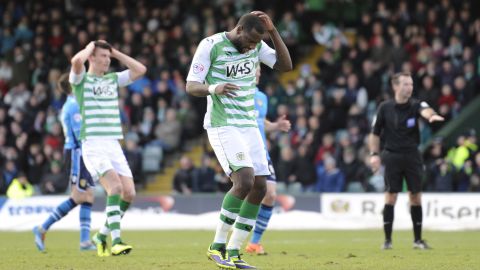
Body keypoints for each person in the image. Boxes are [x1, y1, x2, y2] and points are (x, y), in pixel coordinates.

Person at [186, 11, 292, 269]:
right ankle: (217, 247)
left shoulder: (255, 45)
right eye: (251, 41)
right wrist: (214, 88)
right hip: (223, 124)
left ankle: (235, 252)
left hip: (249, 125)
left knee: (260, 187)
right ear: (240, 29)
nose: (252, 48)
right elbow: (191, 85)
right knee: (243, 179)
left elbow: (286, 66)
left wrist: (274, 32)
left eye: (257, 44)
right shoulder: (210, 45)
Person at [69, 40, 146, 256]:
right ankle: (117, 241)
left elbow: (140, 70)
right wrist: (89, 47)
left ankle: (101, 235)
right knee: (115, 187)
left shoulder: (113, 80)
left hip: (113, 143)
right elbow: (76, 61)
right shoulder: (81, 81)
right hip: (93, 143)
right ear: (92, 58)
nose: (107, 60)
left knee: (129, 193)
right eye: (103, 56)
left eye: (108, 57)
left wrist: (116, 52)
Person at [368, 72, 444, 250]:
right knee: (391, 196)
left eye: (411, 84)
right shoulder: (384, 108)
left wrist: (431, 115)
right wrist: (374, 154)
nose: (410, 87)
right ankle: (387, 241)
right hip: (392, 155)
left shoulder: (415, 104)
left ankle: (417, 240)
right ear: (396, 86)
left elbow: (425, 109)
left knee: (415, 197)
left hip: (412, 156)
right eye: (405, 84)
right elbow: (375, 133)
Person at [33, 73, 97, 252]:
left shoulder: (73, 104)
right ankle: (41, 228)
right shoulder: (74, 106)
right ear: (73, 86)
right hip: (77, 153)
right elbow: (79, 136)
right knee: (78, 196)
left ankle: (84, 241)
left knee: (89, 195)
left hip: (82, 153)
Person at [245, 67, 291, 255]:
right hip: (243, 151)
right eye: (255, 71)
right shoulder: (238, 94)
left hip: (262, 153)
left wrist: (276, 126)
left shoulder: (261, 97)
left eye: (259, 71)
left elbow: (261, 123)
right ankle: (230, 238)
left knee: (270, 194)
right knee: (245, 193)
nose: (258, 74)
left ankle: (254, 243)